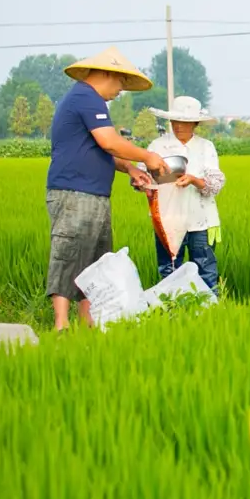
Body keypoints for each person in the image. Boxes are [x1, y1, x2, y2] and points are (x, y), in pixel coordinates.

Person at [46, 47, 168, 331]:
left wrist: (130, 168)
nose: (121, 91)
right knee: (69, 252)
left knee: (94, 259)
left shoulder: (88, 100)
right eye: (121, 83)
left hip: (94, 193)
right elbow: (109, 141)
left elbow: (101, 150)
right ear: (107, 74)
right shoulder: (86, 97)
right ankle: (61, 325)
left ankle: (86, 323)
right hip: (74, 192)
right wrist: (147, 157)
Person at [139, 96, 225, 295]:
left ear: (195, 123)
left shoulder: (206, 147)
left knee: (205, 268)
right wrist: (140, 182)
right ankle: (173, 311)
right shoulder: (157, 146)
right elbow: (141, 174)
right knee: (170, 269)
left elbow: (214, 185)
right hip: (168, 217)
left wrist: (193, 179)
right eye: (175, 121)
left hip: (200, 218)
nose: (178, 126)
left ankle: (209, 311)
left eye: (184, 122)